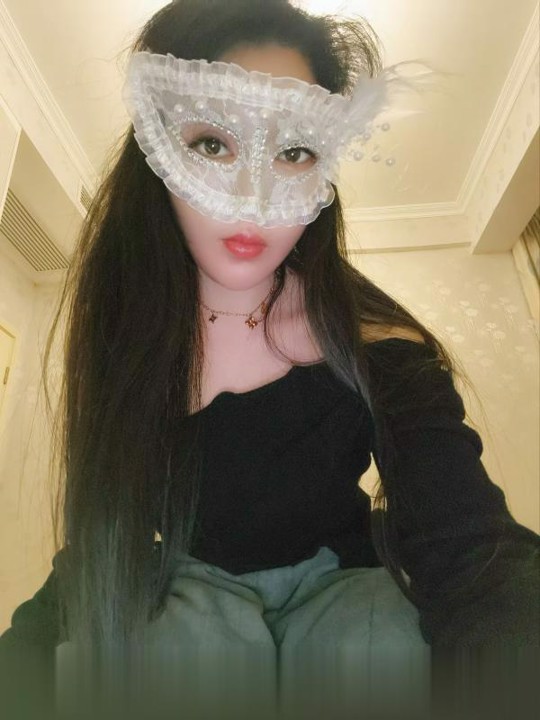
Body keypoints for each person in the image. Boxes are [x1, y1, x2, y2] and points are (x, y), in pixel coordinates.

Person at [1, 1, 538, 718]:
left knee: (378, 651)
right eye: (212, 143)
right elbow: (106, 535)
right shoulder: (129, 342)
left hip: (345, 581)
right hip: (191, 584)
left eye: (294, 152)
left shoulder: (380, 343)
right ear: (156, 151)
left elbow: (473, 551)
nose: (253, 200)